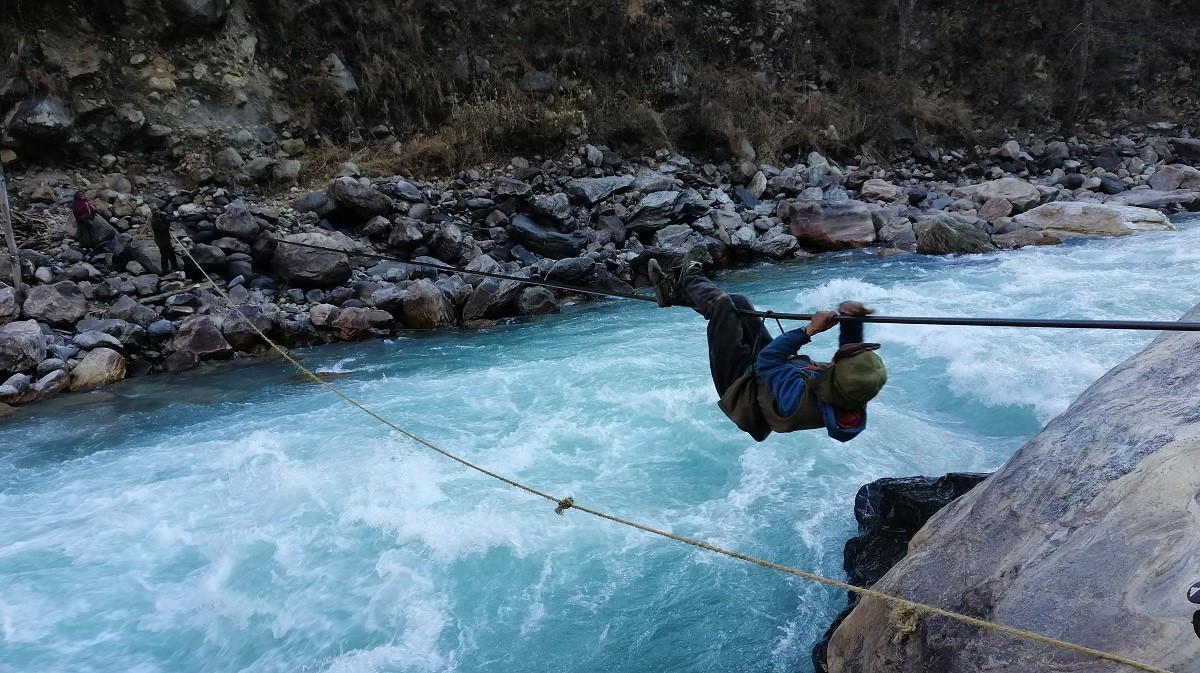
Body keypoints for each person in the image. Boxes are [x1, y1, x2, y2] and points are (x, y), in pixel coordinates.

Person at [647, 249, 887, 442]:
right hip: (766, 378)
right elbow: (849, 356)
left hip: (739, 383)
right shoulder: (855, 392)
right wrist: (852, 316)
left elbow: (769, 360)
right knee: (738, 303)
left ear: (836, 374)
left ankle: (691, 275)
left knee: (722, 306)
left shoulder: (797, 399)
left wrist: (809, 330)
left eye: (839, 361)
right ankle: (673, 294)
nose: (835, 359)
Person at [149, 209, 180, 273]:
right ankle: (165, 269)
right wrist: (167, 222)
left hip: (166, 239)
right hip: (161, 241)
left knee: (171, 253)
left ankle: (174, 267)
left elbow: (164, 216)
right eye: (155, 211)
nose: (157, 211)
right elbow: (163, 228)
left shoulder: (160, 216)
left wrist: (167, 217)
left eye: (157, 210)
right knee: (164, 255)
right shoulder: (154, 222)